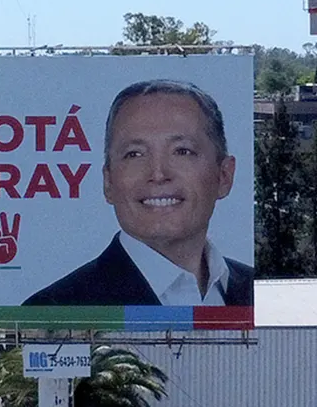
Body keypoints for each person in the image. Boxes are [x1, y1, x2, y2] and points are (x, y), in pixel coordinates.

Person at [23, 80, 253, 307]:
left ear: (224, 175)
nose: (158, 173)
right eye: (135, 154)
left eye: (182, 151)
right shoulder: (54, 307)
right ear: (108, 182)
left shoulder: (253, 292)